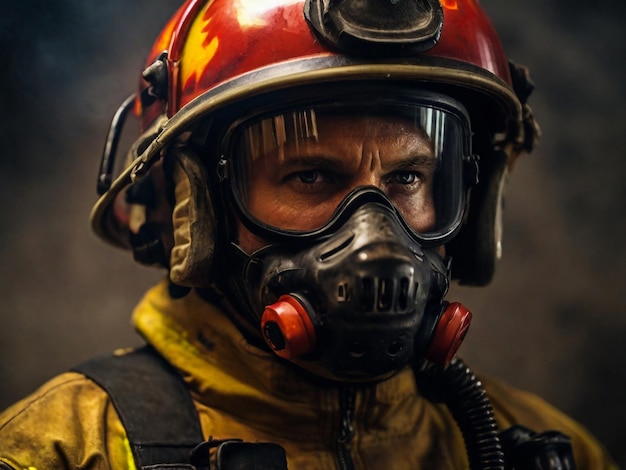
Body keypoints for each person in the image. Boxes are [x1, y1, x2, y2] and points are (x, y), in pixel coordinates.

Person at [0, 0, 618, 468]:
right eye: (311, 174)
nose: (373, 235)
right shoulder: (65, 450)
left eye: (407, 176)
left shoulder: (551, 452)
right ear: (196, 210)